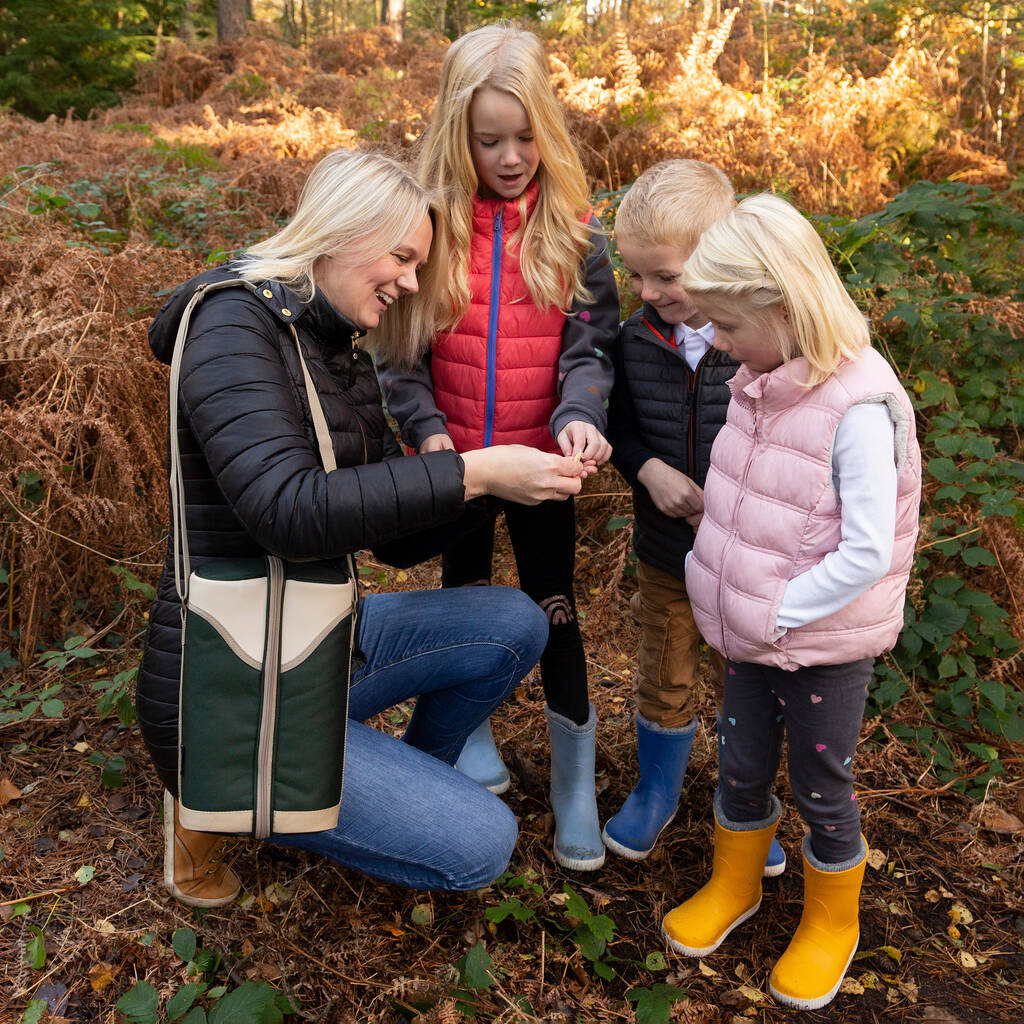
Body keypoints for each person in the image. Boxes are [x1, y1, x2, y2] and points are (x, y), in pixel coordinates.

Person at [137, 148, 597, 907]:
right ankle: (216, 794)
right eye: (403, 258)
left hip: (313, 642)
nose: (411, 282)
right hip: (233, 691)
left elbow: (393, 538)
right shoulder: (231, 326)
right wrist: (472, 472)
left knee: (514, 622)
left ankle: (375, 786)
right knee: (481, 845)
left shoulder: (330, 341)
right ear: (345, 233)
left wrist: (507, 489)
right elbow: (286, 510)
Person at [659, 193, 922, 1010]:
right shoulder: (763, 381)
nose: (721, 345)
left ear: (782, 304)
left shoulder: (859, 409)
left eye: (730, 327)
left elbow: (867, 551)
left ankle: (831, 921)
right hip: (749, 639)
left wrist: (774, 608)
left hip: (819, 649)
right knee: (738, 764)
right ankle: (736, 885)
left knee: (821, 785)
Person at [375, 24, 619, 872]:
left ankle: (574, 784)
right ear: (456, 133)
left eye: (525, 137)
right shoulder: (429, 227)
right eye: (489, 141)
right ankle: (470, 729)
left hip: (543, 467)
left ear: (546, 129)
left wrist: (580, 412)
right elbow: (398, 357)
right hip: (457, 468)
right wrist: (427, 432)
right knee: (464, 598)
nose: (511, 157)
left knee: (555, 610)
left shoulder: (574, 229)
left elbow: (591, 346)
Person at [602, 160, 786, 874]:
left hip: (748, 559)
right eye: (636, 276)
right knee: (665, 667)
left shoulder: (763, 347)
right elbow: (617, 424)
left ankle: (746, 809)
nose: (648, 293)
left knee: (742, 680)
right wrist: (645, 469)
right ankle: (657, 790)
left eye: (666, 277)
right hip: (667, 551)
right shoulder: (635, 342)